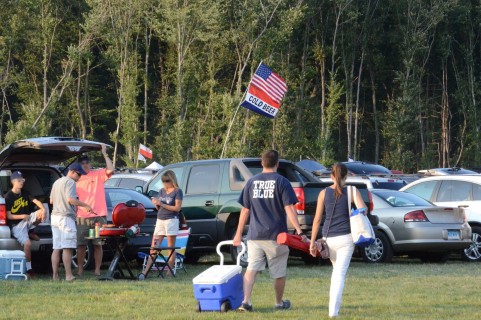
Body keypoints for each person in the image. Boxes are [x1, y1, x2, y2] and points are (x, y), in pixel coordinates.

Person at [233, 150, 308, 312]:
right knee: (278, 272)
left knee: (251, 269)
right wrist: (299, 232)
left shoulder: (251, 182)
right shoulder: (282, 181)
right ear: (277, 164)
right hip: (277, 236)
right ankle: (278, 303)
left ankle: (246, 301)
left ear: (262, 163)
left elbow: (245, 210)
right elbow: (289, 208)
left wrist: (238, 234)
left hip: (254, 235)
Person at [309, 162, 367, 318]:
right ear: (346, 176)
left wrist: (312, 242)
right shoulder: (352, 191)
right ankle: (333, 312)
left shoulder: (323, 193)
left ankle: (335, 309)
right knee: (339, 275)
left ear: (331, 176)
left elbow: (316, 220)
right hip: (346, 239)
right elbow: (363, 211)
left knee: (337, 273)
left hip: (328, 239)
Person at [75, 144, 114, 276]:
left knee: (97, 243)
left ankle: (97, 270)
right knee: (81, 244)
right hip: (82, 217)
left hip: (99, 216)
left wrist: (104, 153)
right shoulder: (76, 178)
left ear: (90, 163)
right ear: (79, 165)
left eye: (87, 162)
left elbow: (111, 168)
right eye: (83, 163)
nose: (85, 165)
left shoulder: (98, 174)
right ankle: (80, 269)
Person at [50, 162, 93, 281]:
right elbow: (71, 200)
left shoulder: (57, 182)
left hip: (54, 217)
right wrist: (85, 205)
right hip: (66, 218)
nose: (79, 178)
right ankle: (69, 275)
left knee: (57, 247)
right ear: (72, 171)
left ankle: (55, 275)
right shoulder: (70, 182)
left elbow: (51, 200)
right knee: (67, 247)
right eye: (79, 175)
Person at [140, 170, 183, 277]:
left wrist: (162, 204)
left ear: (172, 180)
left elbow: (177, 208)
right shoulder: (161, 191)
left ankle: (169, 272)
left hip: (171, 220)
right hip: (160, 219)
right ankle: (145, 272)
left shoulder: (177, 191)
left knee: (170, 247)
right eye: (163, 181)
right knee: (154, 246)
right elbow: (159, 206)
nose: (165, 183)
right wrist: (156, 204)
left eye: (167, 181)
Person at [5, 171, 46, 278]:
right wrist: (22, 216)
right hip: (17, 225)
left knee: (41, 212)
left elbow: (35, 201)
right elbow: (9, 216)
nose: (22, 182)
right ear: (13, 182)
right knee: (27, 244)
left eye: (22, 180)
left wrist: (44, 209)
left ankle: (30, 231)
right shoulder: (8, 196)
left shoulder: (25, 192)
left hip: (27, 221)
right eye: (19, 180)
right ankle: (29, 268)